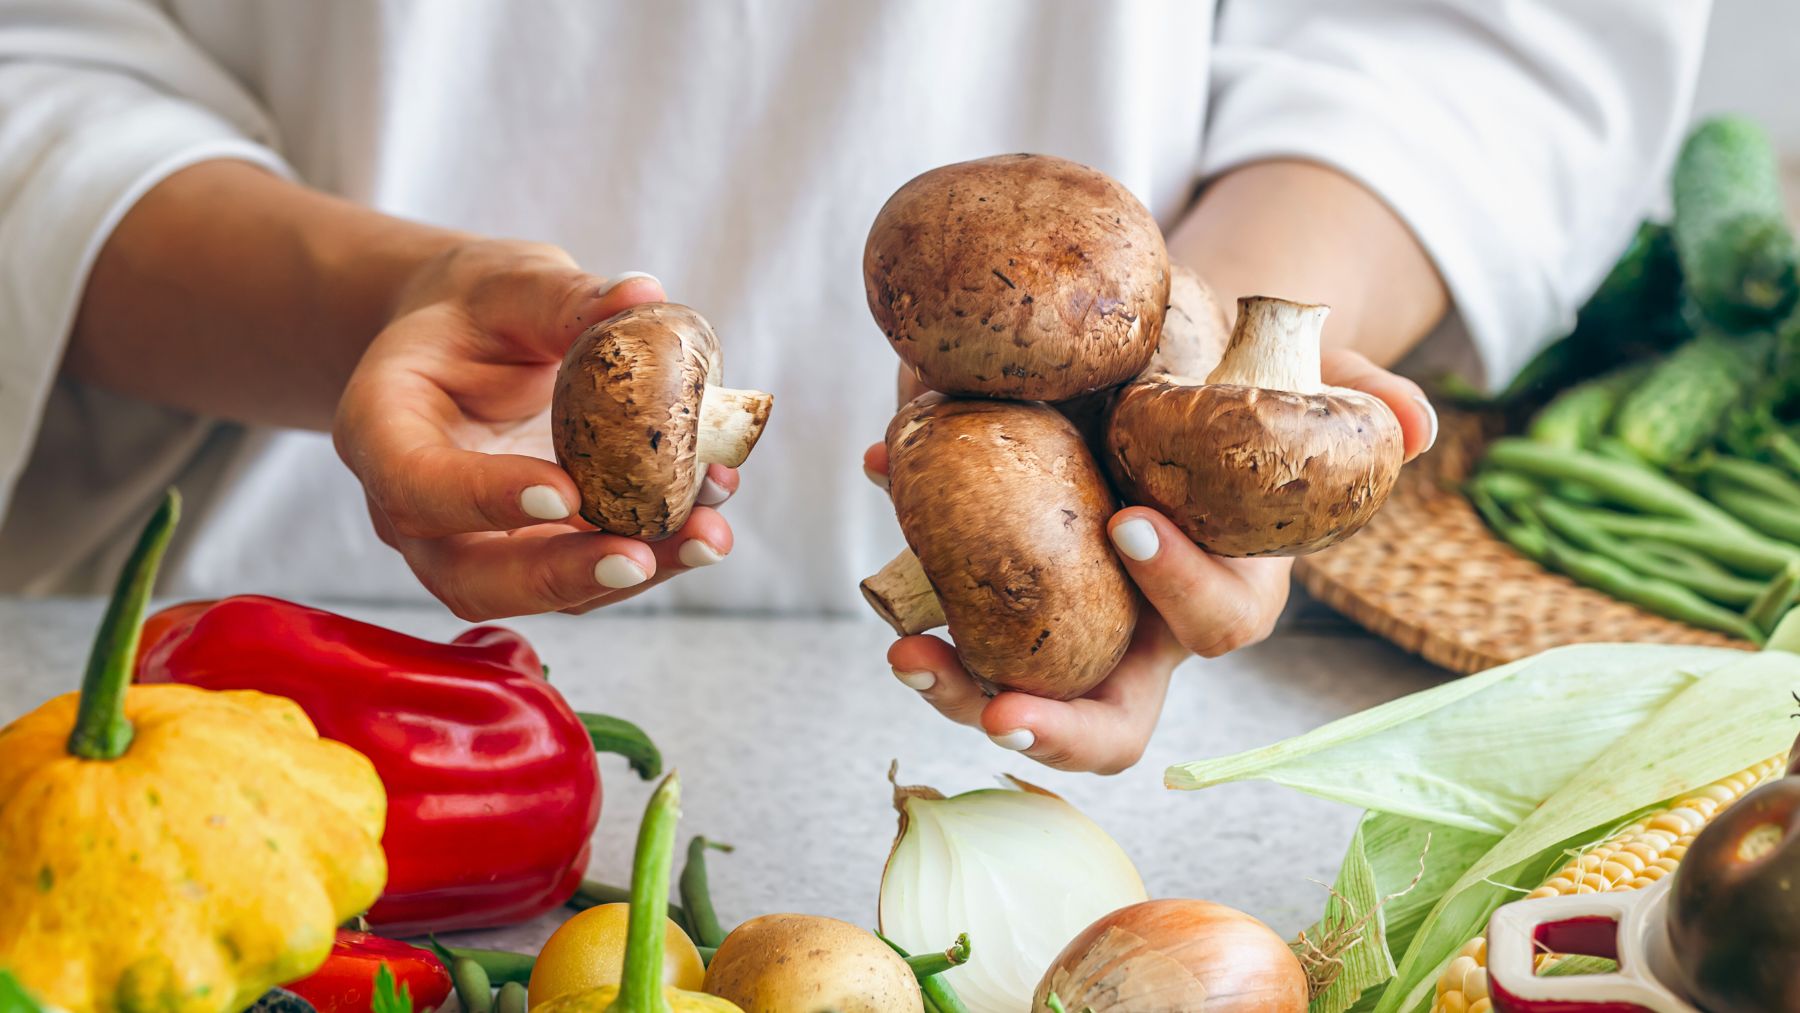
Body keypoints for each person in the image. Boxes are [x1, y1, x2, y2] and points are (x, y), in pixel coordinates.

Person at [0, 1, 1708, 773]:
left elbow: (1483, 38)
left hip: (1081, 548)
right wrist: (391, 308)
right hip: (242, 632)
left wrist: (1174, 401)